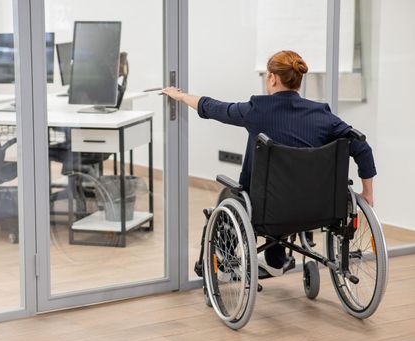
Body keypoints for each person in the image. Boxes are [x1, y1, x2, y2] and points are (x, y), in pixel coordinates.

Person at [161, 50, 376, 277]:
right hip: (319, 209)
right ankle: (275, 260)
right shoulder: (321, 114)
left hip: (269, 211)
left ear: (273, 77)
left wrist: (182, 96)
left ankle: (226, 259)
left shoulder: (257, 110)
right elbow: (362, 147)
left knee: (231, 194)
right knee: (284, 191)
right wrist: (368, 193)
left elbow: (213, 108)